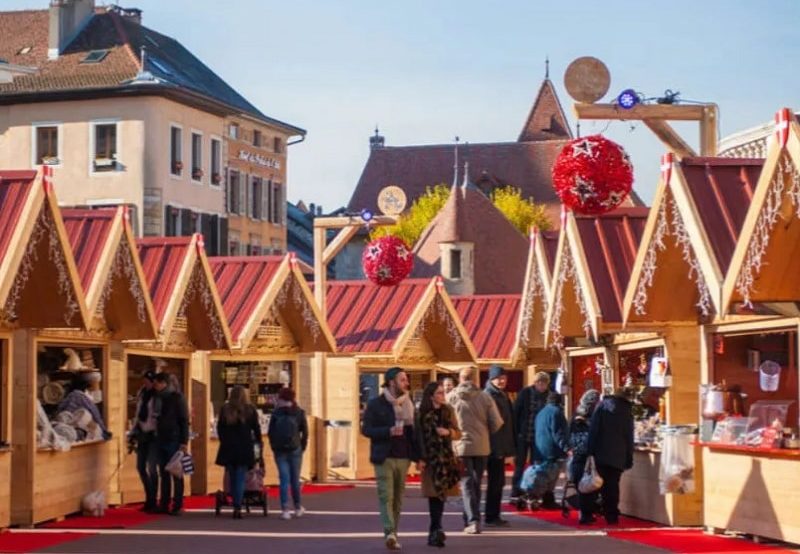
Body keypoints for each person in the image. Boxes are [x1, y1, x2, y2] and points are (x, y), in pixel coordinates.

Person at [361, 367, 422, 551]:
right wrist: (387, 432)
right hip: (384, 455)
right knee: (385, 495)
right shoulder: (376, 404)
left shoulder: (408, 404)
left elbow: (414, 433)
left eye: (406, 379)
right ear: (391, 382)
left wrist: (419, 457)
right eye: (402, 380)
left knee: (398, 498)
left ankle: (393, 533)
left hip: (403, 456)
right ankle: (389, 532)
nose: (406, 383)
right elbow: (366, 430)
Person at [448, 366, 502, 535]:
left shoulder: (451, 398)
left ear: (460, 378)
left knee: (466, 482)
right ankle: (472, 517)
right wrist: (484, 433)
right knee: (476, 482)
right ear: (476, 379)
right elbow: (497, 422)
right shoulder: (485, 397)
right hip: (482, 446)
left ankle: (472, 520)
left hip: (460, 445)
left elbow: (444, 422)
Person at [417, 382, 461, 548]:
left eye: (443, 393)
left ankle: (436, 529)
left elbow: (458, 433)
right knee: (434, 495)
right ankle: (436, 529)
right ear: (431, 396)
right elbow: (418, 437)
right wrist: (419, 458)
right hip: (430, 459)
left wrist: (448, 432)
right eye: (439, 393)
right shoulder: (421, 413)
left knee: (441, 494)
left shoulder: (448, 411)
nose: (443, 396)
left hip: (445, 458)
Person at [588, 387, 635, 525]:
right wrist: (629, 456)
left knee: (597, 483)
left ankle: (591, 511)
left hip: (600, 452)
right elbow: (629, 436)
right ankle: (612, 514)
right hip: (618, 454)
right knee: (613, 485)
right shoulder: (626, 411)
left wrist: (590, 451)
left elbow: (593, 429)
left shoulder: (602, 407)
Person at [216, 385, 263, 519]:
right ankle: (238, 505)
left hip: (228, 447)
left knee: (232, 475)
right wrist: (258, 443)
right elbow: (256, 428)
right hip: (244, 447)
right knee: (241, 477)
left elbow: (220, 428)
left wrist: (224, 440)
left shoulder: (225, 409)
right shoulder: (250, 410)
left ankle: (234, 499)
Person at [267, 388, 309, 520]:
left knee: (283, 479)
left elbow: (270, 432)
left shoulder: (276, 413)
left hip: (279, 450)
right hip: (295, 448)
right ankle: (298, 507)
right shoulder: (299, 412)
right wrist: (302, 446)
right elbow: (305, 432)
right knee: (295, 479)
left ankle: (285, 509)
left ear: (281, 398)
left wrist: (274, 447)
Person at [153, 372, 189, 515]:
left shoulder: (177, 398)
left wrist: (183, 441)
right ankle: (164, 503)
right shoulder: (158, 398)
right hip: (161, 437)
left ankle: (177, 504)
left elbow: (184, 420)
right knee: (163, 472)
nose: (155, 386)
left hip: (173, 438)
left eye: (157, 383)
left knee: (176, 472)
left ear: (164, 383)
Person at [483, 365, 515, 527]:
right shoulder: (489, 396)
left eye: (504, 378)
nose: (502, 381)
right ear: (491, 379)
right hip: (492, 446)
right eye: (499, 378)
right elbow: (492, 424)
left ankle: (494, 514)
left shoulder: (502, 395)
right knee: (494, 482)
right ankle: (490, 515)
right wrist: (497, 447)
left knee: (499, 482)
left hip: (501, 445)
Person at [511, 371, 550, 500]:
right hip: (524, 433)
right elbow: (516, 412)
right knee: (520, 464)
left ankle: (532, 491)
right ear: (535, 382)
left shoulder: (549, 396)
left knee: (536, 465)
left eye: (544, 383)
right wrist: (516, 432)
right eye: (539, 382)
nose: (541, 385)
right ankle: (516, 490)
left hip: (539, 437)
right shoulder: (525, 393)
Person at [568, 389, 601, 524]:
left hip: (577, 457)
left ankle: (584, 513)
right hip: (587, 456)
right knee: (588, 485)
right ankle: (586, 514)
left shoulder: (575, 416)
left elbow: (568, 435)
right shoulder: (591, 418)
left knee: (581, 486)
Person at [533, 392, 570, 509]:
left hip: (540, 448)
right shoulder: (557, 412)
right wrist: (567, 448)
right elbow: (559, 433)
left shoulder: (541, 412)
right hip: (552, 450)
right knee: (551, 478)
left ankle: (543, 499)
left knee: (542, 475)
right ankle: (547, 500)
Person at [131, 369, 159, 513]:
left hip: (153, 434)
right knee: (140, 466)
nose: (145, 384)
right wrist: (134, 430)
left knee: (152, 468)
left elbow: (157, 416)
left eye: (147, 381)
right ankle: (149, 496)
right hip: (142, 432)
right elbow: (137, 413)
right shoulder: (142, 394)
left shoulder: (157, 396)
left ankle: (153, 500)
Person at [58, 374, 112, 441]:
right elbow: (95, 415)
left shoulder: (74, 397)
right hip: (73, 431)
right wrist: (104, 431)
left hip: (69, 431)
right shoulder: (78, 397)